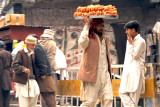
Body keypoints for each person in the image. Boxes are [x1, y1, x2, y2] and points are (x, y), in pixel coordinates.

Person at [77, 15, 113, 107]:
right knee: (91, 102)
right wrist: (86, 24)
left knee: (108, 99)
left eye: (102, 26)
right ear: (94, 26)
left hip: (105, 74)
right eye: (99, 25)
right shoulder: (89, 38)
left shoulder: (105, 39)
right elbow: (81, 42)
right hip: (92, 74)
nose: (101, 28)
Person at [119, 21, 146, 107]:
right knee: (122, 92)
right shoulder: (130, 40)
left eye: (127, 30)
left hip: (136, 72)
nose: (126, 32)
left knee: (134, 99)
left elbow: (135, 55)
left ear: (133, 30)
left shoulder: (141, 41)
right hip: (128, 72)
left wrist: (130, 44)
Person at [12, 35, 40, 107]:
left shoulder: (32, 54)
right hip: (23, 80)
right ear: (27, 44)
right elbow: (14, 66)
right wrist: (23, 69)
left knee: (35, 96)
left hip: (32, 80)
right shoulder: (20, 53)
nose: (34, 47)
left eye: (34, 45)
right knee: (24, 100)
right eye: (32, 45)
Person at [31, 34, 56, 107]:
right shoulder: (38, 47)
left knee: (49, 96)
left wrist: (42, 74)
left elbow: (42, 62)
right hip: (45, 74)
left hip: (45, 76)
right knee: (48, 96)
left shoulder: (37, 48)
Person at [0, 41, 12, 107]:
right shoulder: (8, 53)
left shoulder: (0, 54)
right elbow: (11, 64)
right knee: (6, 95)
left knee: (1, 96)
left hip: (1, 76)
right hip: (7, 75)